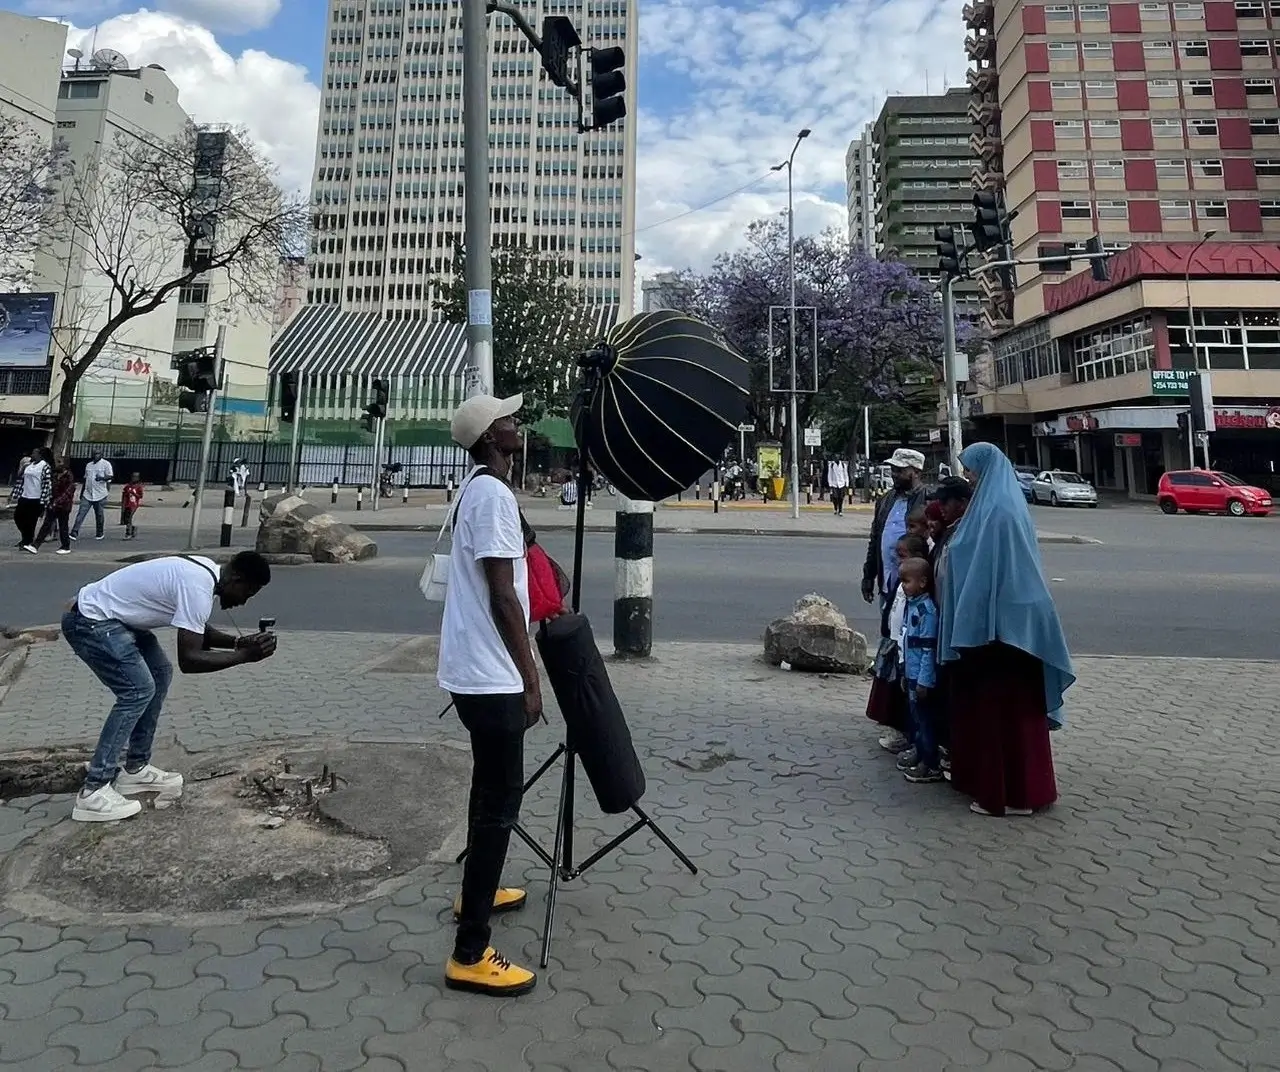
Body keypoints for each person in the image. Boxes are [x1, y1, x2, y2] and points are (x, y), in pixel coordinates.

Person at [437, 392, 540, 998]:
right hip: (494, 674)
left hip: (472, 671)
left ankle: (478, 885)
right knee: (501, 804)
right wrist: (531, 678)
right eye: (507, 419)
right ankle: (470, 952)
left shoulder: (478, 489)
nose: (516, 423)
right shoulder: (492, 495)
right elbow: (504, 596)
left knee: (487, 791)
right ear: (488, 436)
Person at [62, 550, 276, 823]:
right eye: (248, 592)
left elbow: (197, 628)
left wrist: (237, 644)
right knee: (136, 691)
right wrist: (244, 657)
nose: (245, 601)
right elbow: (190, 659)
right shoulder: (198, 584)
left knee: (159, 674)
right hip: (90, 621)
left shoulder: (206, 573)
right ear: (236, 578)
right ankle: (93, 791)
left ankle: (135, 770)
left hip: (112, 620)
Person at [937, 442, 1075, 818]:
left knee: (1006, 717)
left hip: (1005, 632)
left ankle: (1012, 795)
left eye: (972, 471)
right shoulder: (991, 508)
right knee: (1000, 715)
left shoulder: (999, 513)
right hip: (999, 629)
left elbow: (996, 574)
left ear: (987, 469)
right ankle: (1009, 789)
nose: (968, 478)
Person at [860, 448, 928, 752]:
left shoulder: (925, 500)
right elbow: (876, 539)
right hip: (890, 585)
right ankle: (893, 716)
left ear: (914, 471)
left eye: (900, 470)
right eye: (893, 469)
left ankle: (909, 727)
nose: (894, 474)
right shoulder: (887, 499)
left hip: (914, 590)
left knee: (905, 653)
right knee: (890, 649)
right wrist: (868, 574)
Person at [867, 533, 929, 750]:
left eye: (902, 556)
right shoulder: (903, 586)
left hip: (915, 658)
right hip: (900, 651)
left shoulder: (923, 606)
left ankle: (921, 749)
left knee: (917, 708)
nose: (898, 561)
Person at [897, 556, 943, 785]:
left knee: (925, 721)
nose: (903, 586)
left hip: (921, 678)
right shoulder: (912, 605)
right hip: (911, 674)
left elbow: (927, 649)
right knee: (915, 719)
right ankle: (919, 753)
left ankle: (930, 763)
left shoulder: (927, 611)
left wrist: (924, 681)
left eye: (906, 581)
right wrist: (905, 670)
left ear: (923, 582)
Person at [32, 456, 75, 555]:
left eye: (59, 462)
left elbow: (67, 493)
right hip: (53, 504)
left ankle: (66, 546)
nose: (57, 464)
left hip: (64, 506)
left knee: (63, 526)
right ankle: (36, 545)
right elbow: (51, 489)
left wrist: (56, 502)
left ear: (65, 465)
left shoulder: (69, 477)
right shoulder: (55, 475)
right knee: (46, 524)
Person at [12, 447, 51, 553]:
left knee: (31, 521)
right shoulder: (29, 465)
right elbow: (21, 479)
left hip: (36, 497)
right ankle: (26, 537)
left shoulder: (44, 466)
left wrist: (43, 501)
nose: (32, 455)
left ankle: (27, 541)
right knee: (18, 517)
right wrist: (15, 494)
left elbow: (47, 484)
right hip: (24, 495)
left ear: (40, 455)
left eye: (34, 453)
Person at [71, 450, 113, 542]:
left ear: (101, 455)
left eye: (98, 453)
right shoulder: (88, 465)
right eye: (94, 453)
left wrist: (101, 478)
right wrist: (82, 492)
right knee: (81, 513)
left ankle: (100, 532)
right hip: (88, 494)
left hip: (100, 494)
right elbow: (85, 479)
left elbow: (110, 476)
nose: (95, 455)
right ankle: (74, 532)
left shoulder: (106, 464)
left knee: (99, 515)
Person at [121, 474, 144, 540]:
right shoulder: (128, 486)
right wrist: (123, 504)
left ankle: (128, 533)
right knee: (126, 519)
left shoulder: (139, 487)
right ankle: (132, 528)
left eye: (135, 477)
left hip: (134, 504)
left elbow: (140, 496)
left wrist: (133, 493)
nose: (134, 478)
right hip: (127, 504)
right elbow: (124, 495)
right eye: (133, 477)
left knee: (129, 517)